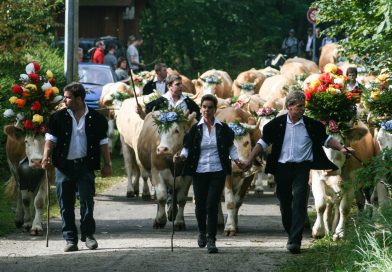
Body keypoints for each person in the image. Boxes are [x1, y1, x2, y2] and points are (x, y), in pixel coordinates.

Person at [243, 91, 354, 254]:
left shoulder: (312, 125)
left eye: (304, 106)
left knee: (300, 202)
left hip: (302, 168)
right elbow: (263, 142)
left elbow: (326, 139)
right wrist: (250, 159)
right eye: (299, 106)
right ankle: (291, 231)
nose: (303, 109)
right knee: (285, 204)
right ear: (290, 107)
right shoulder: (276, 125)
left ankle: (295, 240)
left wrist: (342, 148)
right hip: (282, 169)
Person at [42, 82, 112, 252]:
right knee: (65, 204)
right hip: (63, 166)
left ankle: (88, 236)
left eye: (67, 97)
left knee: (87, 201)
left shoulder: (97, 119)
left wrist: (107, 164)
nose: (64, 100)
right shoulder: (57, 117)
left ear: (78, 99)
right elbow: (50, 140)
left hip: (85, 166)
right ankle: (70, 239)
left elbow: (103, 143)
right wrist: (45, 157)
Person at [173, 94, 244, 253]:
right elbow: (187, 148)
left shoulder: (223, 129)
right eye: (204, 107)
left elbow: (231, 147)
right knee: (200, 207)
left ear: (215, 109)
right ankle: (201, 233)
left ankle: (211, 239)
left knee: (212, 205)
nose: (206, 110)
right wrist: (181, 156)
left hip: (217, 171)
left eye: (210, 107)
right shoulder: (195, 129)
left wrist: (237, 160)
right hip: (199, 171)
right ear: (201, 108)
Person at [136, 74, 200, 120]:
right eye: (177, 84)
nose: (181, 86)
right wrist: (141, 112)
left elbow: (198, 117)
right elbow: (146, 118)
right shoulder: (160, 102)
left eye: (181, 84)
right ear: (169, 86)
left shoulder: (188, 102)